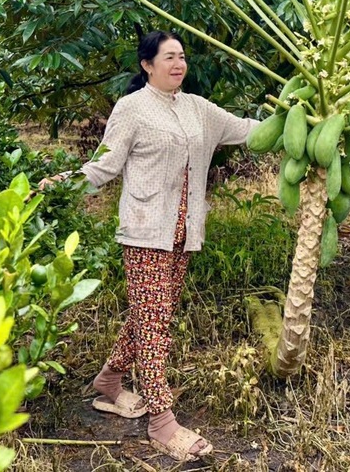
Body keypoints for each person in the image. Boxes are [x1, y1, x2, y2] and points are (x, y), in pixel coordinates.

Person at [41, 30, 257, 463]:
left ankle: (108, 382)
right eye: (169, 57)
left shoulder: (198, 109)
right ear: (147, 65)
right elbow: (104, 165)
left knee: (150, 314)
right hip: (145, 231)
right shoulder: (132, 108)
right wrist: (61, 185)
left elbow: (250, 130)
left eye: (182, 57)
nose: (178, 64)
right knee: (155, 325)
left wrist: (303, 121)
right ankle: (161, 421)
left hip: (183, 232)